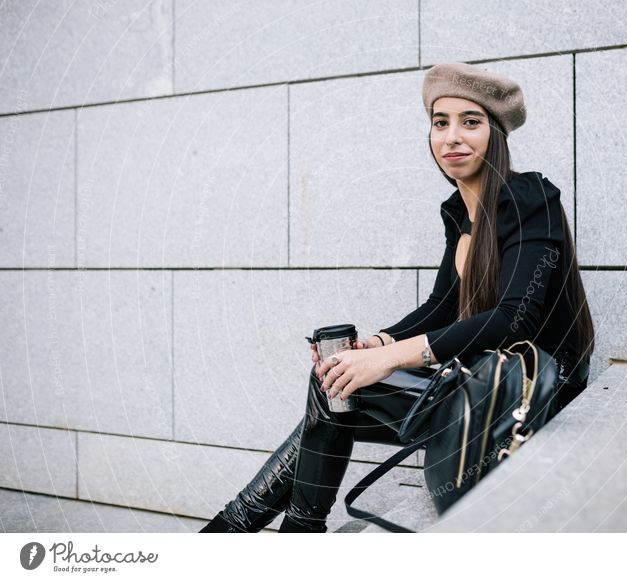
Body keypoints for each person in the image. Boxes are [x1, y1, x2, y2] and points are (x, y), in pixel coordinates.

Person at [199, 62, 595, 533]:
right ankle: (258, 532)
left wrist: (391, 359)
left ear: (497, 134)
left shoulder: (530, 197)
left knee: (334, 389)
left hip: (534, 393)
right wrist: (377, 345)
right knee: (335, 380)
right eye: (439, 122)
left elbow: (515, 321)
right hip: (481, 386)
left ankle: (241, 534)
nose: (452, 137)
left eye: (471, 122)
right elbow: (442, 306)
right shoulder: (460, 214)